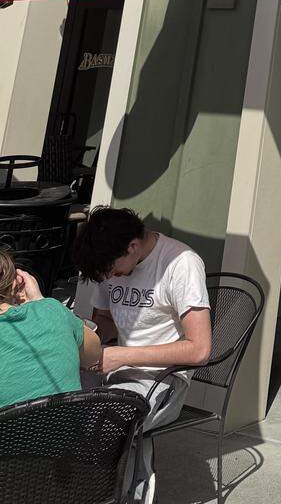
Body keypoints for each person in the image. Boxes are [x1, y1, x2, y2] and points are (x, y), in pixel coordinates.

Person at [73, 208, 211, 504]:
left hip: (163, 379)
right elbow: (106, 324)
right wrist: (77, 330)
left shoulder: (180, 264)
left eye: (113, 270)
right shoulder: (110, 262)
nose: (110, 277)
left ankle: (127, 495)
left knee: (103, 423)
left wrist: (123, 356)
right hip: (114, 368)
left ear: (132, 246)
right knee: (52, 403)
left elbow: (199, 349)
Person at [0, 251, 102, 408]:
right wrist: (40, 301)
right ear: (16, 282)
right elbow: (94, 354)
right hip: (68, 431)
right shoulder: (53, 310)